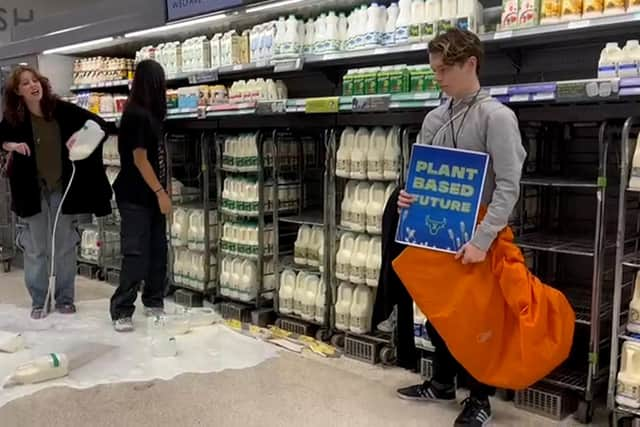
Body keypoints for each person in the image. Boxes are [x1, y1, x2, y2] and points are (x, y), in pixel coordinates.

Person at [395, 29, 526, 427]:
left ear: (471, 63)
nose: (438, 76)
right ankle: (442, 382)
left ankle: (480, 398)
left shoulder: (497, 118)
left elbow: (508, 186)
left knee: (478, 320)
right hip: (438, 234)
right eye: (434, 69)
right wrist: (407, 197)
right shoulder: (435, 117)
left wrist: (482, 241)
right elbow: (421, 176)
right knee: (439, 314)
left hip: (479, 236)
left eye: (444, 69)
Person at [0, 65, 112, 319]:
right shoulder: (14, 118)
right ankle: (39, 301)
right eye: (26, 83)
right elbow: (1, 137)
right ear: (18, 91)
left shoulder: (59, 110)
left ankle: (64, 298)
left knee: (63, 245)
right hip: (31, 190)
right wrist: (12, 145)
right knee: (37, 247)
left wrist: (81, 140)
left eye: (35, 80)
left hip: (62, 188)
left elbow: (98, 125)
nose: (32, 85)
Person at [110, 60, 171, 332]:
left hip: (151, 194)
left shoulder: (150, 114)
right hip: (135, 195)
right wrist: (160, 192)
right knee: (135, 254)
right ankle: (121, 309)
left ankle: (154, 301)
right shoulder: (135, 115)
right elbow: (139, 158)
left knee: (158, 250)